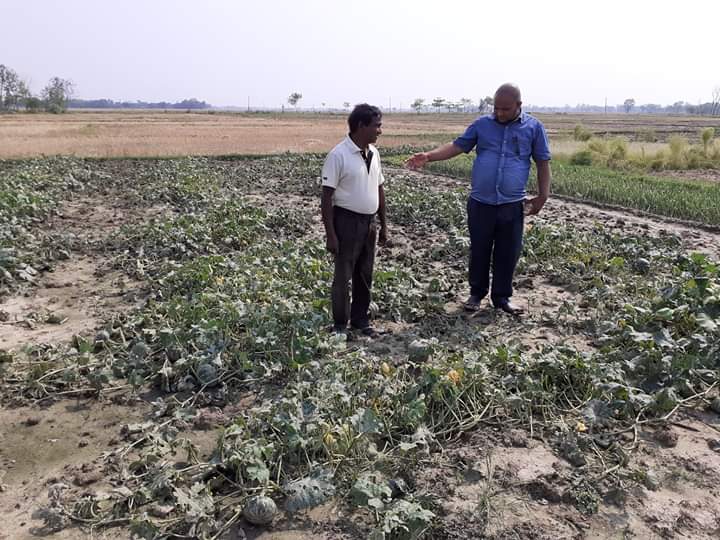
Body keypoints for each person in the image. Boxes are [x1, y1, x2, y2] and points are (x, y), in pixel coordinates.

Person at [405, 83, 551, 316]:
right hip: (481, 202)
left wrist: (543, 196)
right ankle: (476, 293)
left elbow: (542, 162)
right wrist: (429, 156)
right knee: (480, 249)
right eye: (496, 108)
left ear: (519, 105)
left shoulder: (534, 128)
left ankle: (502, 298)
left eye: (505, 109)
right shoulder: (482, 124)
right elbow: (457, 146)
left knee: (508, 252)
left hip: (512, 203)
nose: (499, 113)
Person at [321, 104, 387, 336]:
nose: (380, 130)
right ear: (361, 126)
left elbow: (379, 188)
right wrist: (331, 234)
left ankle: (360, 320)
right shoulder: (338, 155)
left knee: (365, 274)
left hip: (370, 222)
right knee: (343, 275)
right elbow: (326, 198)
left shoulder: (374, 153)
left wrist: (383, 225)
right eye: (376, 126)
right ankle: (340, 325)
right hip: (347, 222)